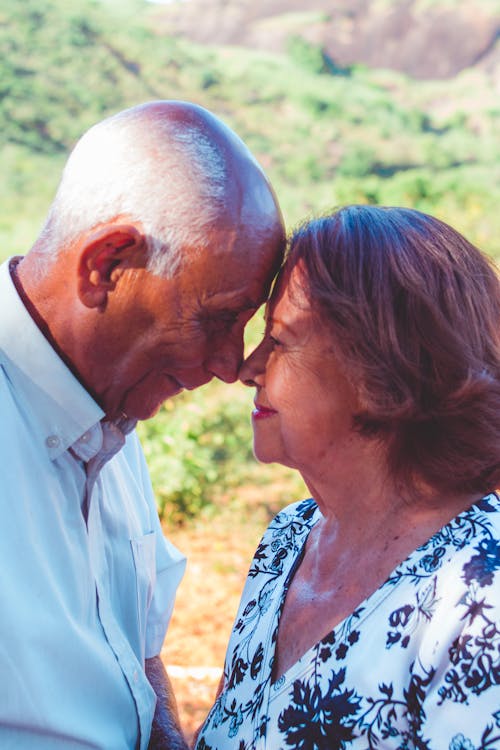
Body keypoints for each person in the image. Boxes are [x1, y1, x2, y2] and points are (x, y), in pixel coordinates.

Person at [0, 100, 285, 750]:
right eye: (217, 319)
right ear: (106, 265)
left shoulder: (109, 405)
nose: (227, 364)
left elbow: (136, 662)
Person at [195, 205, 500, 749]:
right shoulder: (287, 539)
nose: (247, 369)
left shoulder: (479, 595)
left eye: (281, 340)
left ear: (380, 368)